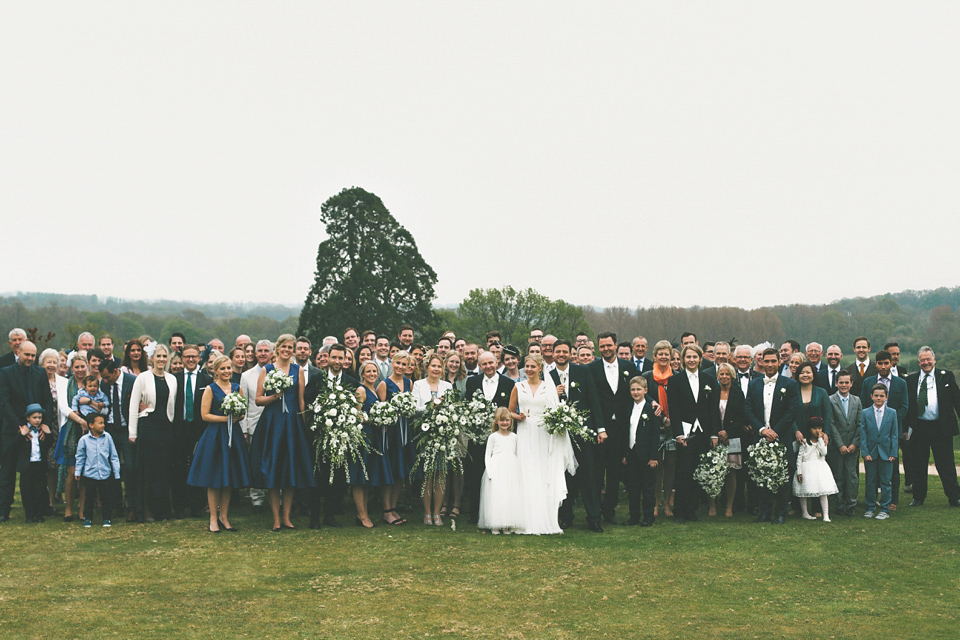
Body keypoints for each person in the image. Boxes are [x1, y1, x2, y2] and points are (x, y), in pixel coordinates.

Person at [249, 334, 316, 531]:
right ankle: (276, 518)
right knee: (273, 469)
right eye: (284, 347)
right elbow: (258, 399)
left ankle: (287, 517)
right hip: (273, 423)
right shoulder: (267, 370)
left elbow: (301, 400)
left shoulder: (298, 370)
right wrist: (274, 396)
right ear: (277, 349)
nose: (287, 350)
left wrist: (303, 424)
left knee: (290, 470)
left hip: (293, 423)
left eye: (290, 347)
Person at [510, 354, 575, 535]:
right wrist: (518, 416)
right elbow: (509, 411)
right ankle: (524, 518)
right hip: (524, 431)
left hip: (544, 432)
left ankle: (545, 517)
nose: (529, 370)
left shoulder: (549, 387)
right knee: (526, 471)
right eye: (527, 366)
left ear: (540, 368)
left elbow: (555, 410)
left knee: (543, 472)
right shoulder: (518, 386)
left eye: (533, 366)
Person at [187, 355, 251, 533]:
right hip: (215, 436)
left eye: (229, 368)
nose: (226, 371)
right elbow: (204, 415)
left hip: (233, 436)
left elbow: (243, 413)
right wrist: (225, 418)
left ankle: (224, 516)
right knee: (214, 478)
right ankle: (213, 518)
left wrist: (238, 416)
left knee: (228, 478)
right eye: (222, 368)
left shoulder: (237, 388)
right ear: (215, 371)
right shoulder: (210, 389)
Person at [550, 340, 604, 533]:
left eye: (565, 351)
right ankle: (565, 516)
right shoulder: (547, 376)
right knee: (563, 476)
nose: (561, 354)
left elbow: (594, 400)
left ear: (570, 354)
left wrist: (600, 428)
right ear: (553, 354)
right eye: (558, 351)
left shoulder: (582, 371)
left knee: (588, 475)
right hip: (559, 434)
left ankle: (594, 518)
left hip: (583, 431)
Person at [0, 341, 55, 523]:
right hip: (14, 430)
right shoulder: (6, 373)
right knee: (7, 472)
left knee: (37, 474)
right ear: (19, 352)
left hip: (37, 431)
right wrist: (19, 426)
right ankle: (3, 509)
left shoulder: (40, 373)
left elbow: (47, 398)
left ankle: (38, 510)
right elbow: (5, 402)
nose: (30, 358)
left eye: (33, 356)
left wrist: (44, 423)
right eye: (27, 355)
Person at [744, 347, 800, 524]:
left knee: (783, 475)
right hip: (760, 437)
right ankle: (764, 512)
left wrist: (775, 431)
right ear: (761, 362)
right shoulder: (754, 384)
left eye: (773, 361)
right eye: (766, 361)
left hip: (780, 436)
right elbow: (749, 409)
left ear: (779, 362)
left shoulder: (790, 384)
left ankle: (781, 512)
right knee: (761, 475)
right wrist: (762, 430)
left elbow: (792, 411)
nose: (769, 364)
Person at [589, 332, 638, 524]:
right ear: (598, 347)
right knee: (597, 472)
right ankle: (594, 512)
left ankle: (609, 511)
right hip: (599, 428)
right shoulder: (591, 369)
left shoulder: (629, 367)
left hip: (621, 428)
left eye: (609, 345)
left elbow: (638, 391)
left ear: (616, 345)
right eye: (602, 346)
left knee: (615, 473)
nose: (606, 349)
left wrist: (652, 403)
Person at [668, 344, 719, 523]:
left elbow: (713, 409)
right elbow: (673, 410)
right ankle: (680, 510)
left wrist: (714, 434)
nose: (691, 360)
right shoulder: (675, 381)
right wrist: (678, 434)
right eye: (688, 357)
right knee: (684, 471)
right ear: (683, 359)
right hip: (685, 433)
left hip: (703, 432)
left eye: (694, 357)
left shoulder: (709, 380)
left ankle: (692, 509)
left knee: (699, 471)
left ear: (700, 359)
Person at [904, 347, 960, 507]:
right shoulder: (911, 380)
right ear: (919, 362)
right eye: (922, 360)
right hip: (919, 428)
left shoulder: (946, 376)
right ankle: (918, 497)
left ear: (934, 360)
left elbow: (957, 399)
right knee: (919, 464)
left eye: (928, 359)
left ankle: (954, 496)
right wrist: (905, 429)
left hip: (941, 428)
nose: (926, 362)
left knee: (946, 464)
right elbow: (907, 407)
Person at [128, 343, 178, 522]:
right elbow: (134, 405)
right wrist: (132, 432)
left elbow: (172, 404)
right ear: (151, 358)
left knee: (163, 470)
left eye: (164, 356)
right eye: (158, 356)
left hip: (165, 427)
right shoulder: (142, 378)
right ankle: (146, 511)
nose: (161, 360)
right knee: (148, 471)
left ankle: (163, 511)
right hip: (148, 427)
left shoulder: (172, 379)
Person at [463, 351, 514, 524]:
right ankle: (475, 513)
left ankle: (501, 514)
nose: (488, 366)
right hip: (477, 439)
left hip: (500, 438)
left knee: (499, 475)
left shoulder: (508, 383)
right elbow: (467, 408)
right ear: (480, 365)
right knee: (476, 475)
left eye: (491, 363)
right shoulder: (473, 382)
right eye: (484, 364)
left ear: (497, 362)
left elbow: (510, 410)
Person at [859, 350, 908, 510]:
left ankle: (892, 501)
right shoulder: (868, 382)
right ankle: (872, 503)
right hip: (872, 429)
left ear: (891, 363)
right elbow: (864, 404)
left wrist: (889, 420)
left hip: (891, 430)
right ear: (876, 364)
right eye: (879, 363)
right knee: (872, 472)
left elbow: (904, 406)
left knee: (891, 469)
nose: (883, 366)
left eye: (886, 363)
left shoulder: (900, 383)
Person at [171, 344, 212, 519]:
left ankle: (197, 505)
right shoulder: (174, 379)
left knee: (198, 466)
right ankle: (179, 506)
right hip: (178, 429)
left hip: (199, 429)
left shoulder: (207, 380)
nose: (190, 359)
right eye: (187, 356)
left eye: (193, 356)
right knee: (178, 467)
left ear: (199, 358)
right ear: (182, 358)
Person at [413, 353, 453, 525]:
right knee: (427, 474)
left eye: (439, 366)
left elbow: (452, 407)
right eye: (433, 366)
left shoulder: (447, 385)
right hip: (424, 434)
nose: (436, 369)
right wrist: (432, 404)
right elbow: (415, 409)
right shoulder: (418, 385)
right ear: (427, 367)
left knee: (440, 474)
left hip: (443, 434)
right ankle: (427, 513)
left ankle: (437, 513)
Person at [619, 377, 662, 527]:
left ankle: (648, 517)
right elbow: (625, 432)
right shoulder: (627, 407)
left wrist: (653, 457)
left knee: (648, 487)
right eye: (633, 389)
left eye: (638, 389)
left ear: (645, 391)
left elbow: (655, 435)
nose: (635, 392)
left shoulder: (652, 409)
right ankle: (634, 516)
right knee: (633, 487)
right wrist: (625, 453)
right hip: (631, 453)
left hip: (646, 455)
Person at [376, 350, 412, 525]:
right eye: (398, 363)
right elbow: (381, 411)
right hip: (390, 433)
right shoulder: (384, 384)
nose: (400, 367)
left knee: (400, 472)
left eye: (404, 364)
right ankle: (386, 509)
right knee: (389, 471)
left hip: (405, 431)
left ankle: (394, 507)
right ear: (392, 363)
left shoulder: (408, 382)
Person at [98, 359, 136, 522]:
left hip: (127, 429)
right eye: (103, 378)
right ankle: (115, 506)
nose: (105, 381)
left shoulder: (132, 381)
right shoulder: (104, 385)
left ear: (115, 371)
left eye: (107, 377)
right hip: (111, 429)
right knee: (111, 468)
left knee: (130, 468)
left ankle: (133, 506)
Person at [53, 353, 89, 521]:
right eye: (77, 367)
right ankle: (68, 507)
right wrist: (80, 420)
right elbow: (64, 407)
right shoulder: (66, 384)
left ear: (87, 367)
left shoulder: (93, 383)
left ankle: (82, 508)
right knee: (72, 471)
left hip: (90, 430)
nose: (80, 370)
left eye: (83, 366)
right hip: (71, 430)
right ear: (71, 368)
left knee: (84, 472)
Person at [644, 340, 676, 518]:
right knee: (656, 466)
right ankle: (654, 503)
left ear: (671, 357)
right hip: (654, 427)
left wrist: (672, 419)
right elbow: (642, 394)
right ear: (654, 356)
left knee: (670, 466)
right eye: (660, 354)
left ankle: (667, 504)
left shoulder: (676, 376)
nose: (663, 357)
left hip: (672, 427)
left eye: (667, 354)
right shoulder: (648, 376)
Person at [478, 407, 523, 534]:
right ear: (496, 421)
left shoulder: (514, 437)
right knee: (497, 496)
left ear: (511, 422)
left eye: (507, 420)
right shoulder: (493, 437)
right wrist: (490, 471)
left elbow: (517, 453)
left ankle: (507, 524)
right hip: (497, 468)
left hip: (510, 468)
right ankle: (495, 524)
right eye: (501, 420)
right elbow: (487, 455)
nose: (504, 423)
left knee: (509, 495)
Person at [240, 340, 272, 513]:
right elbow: (243, 403)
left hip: (274, 424)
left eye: (266, 350)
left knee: (275, 459)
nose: (262, 353)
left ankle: (278, 496)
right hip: (253, 423)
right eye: (259, 350)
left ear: (271, 353)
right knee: (255, 462)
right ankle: (257, 500)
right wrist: (244, 429)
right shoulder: (247, 375)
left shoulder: (279, 372)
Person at [712, 362, 747, 518]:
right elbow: (707, 414)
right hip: (714, 437)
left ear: (732, 376)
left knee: (731, 473)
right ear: (717, 376)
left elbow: (741, 417)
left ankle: (729, 506)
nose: (724, 376)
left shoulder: (738, 393)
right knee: (713, 471)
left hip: (733, 438)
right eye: (721, 374)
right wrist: (715, 434)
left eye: (727, 374)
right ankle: (712, 504)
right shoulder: (712, 392)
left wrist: (728, 432)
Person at [74, 414, 120, 528]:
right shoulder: (84, 440)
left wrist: (116, 472)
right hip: (90, 473)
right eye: (100, 423)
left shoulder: (108, 437)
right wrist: (78, 472)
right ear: (91, 425)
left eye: (103, 423)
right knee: (89, 497)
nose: (103, 425)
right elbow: (80, 457)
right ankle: (88, 518)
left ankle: (107, 518)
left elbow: (114, 456)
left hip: (105, 473)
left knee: (106, 497)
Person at [861, 384, 899, 520]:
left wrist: (893, 453)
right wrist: (865, 452)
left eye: (881, 396)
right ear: (871, 396)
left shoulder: (892, 412)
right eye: (876, 395)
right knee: (870, 481)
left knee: (886, 482)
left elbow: (894, 434)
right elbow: (863, 433)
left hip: (886, 453)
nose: (878, 398)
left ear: (886, 397)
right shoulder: (865, 413)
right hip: (871, 452)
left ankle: (885, 508)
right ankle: (870, 507)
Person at [827, 371, 862, 517]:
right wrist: (840, 444)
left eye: (847, 382)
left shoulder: (857, 400)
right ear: (836, 383)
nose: (844, 385)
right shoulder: (830, 400)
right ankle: (839, 503)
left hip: (853, 445)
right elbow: (831, 424)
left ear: (851, 384)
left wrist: (854, 444)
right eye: (841, 382)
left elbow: (860, 424)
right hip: (837, 446)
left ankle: (852, 503)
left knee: (851, 475)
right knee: (838, 475)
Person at [793, 417, 838, 522]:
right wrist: (799, 471)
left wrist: (820, 440)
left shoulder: (821, 441)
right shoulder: (804, 442)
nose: (817, 431)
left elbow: (824, 453)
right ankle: (805, 512)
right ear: (809, 429)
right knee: (804, 490)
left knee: (823, 491)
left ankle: (826, 514)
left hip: (820, 467)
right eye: (814, 428)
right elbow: (799, 458)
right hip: (806, 468)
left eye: (819, 428)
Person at [15, 404, 54, 522]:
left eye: (40, 417)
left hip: (39, 464)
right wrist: (22, 435)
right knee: (27, 490)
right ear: (28, 418)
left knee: (40, 489)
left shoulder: (42, 430)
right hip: (27, 466)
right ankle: (29, 515)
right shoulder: (23, 430)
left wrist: (48, 434)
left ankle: (39, 514)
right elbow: (16, 447)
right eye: (35, 417)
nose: (37, 420)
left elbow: (48, 445)